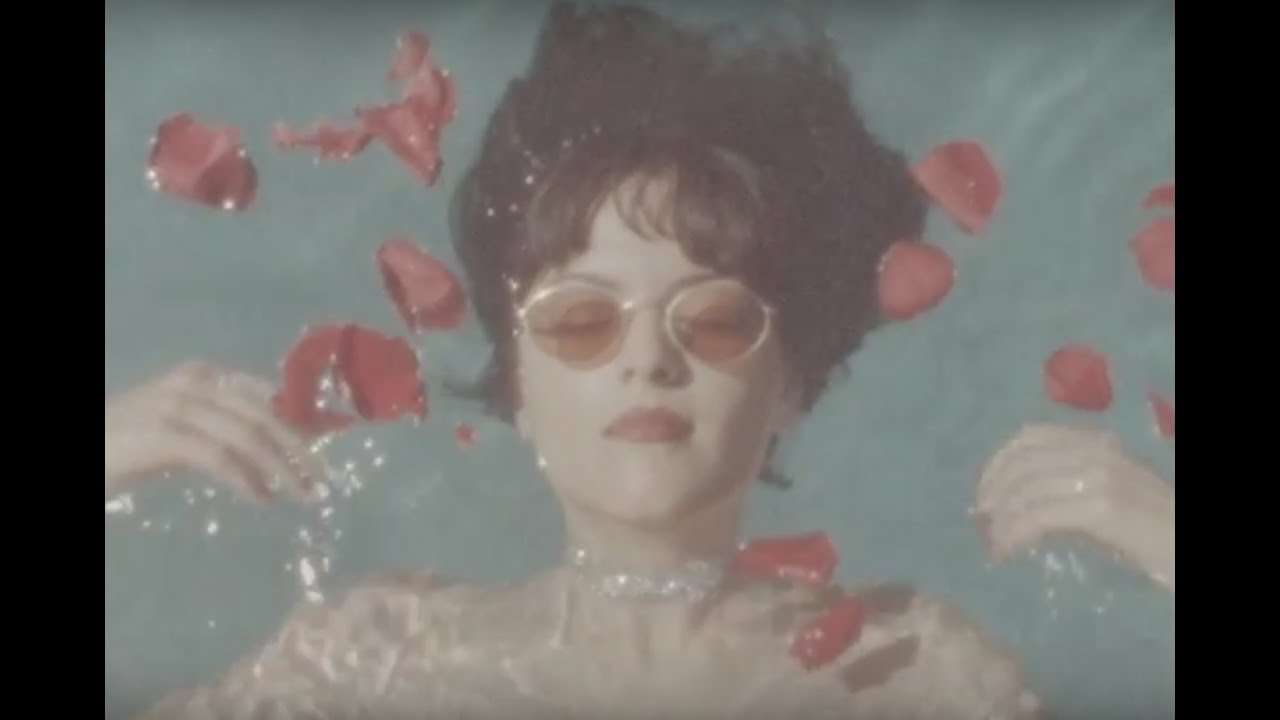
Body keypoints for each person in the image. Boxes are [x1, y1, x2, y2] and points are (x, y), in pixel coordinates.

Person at [105, 4, 1172, 717]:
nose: (648, 359)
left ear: (790, 386)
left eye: (713, 322)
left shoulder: (910, 672)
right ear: (520, 386)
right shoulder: (380, 653)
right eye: (581, 322)